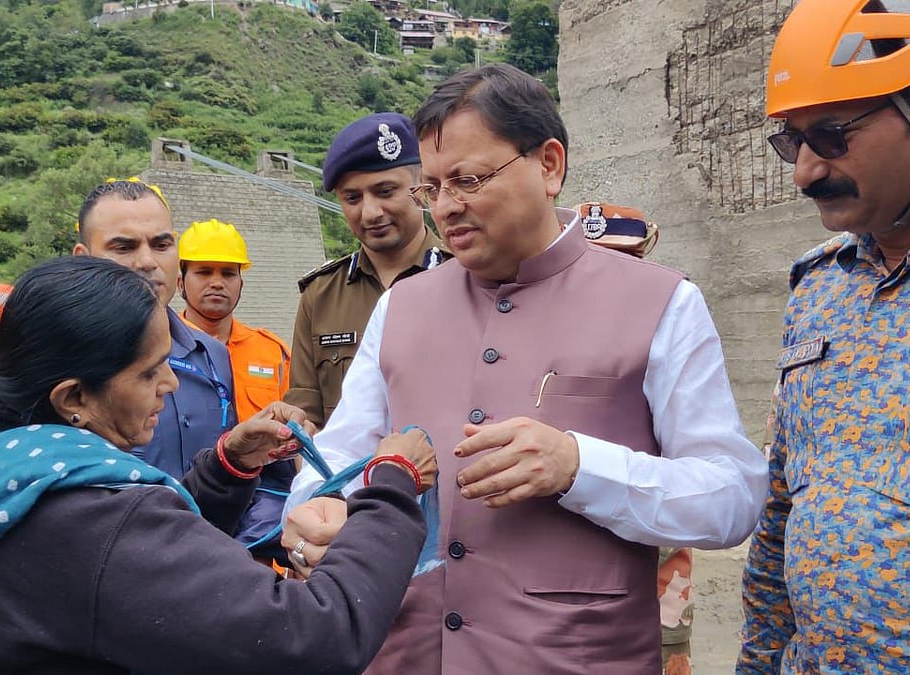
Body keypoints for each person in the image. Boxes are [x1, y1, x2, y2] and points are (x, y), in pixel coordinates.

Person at [282, 64, 767, 673]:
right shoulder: (401, 307)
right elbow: (338, 459)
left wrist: (579, 466)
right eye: (432, 189)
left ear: (549, 166)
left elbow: (732, 496)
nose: (447, 208)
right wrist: (314, 509)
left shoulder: (662, 302)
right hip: (403, 652)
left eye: (468, 179)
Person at [0, 255, 438, 674]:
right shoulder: (90, 522)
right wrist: (391, 488)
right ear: (75, 399)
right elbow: (318, 635)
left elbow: (146, 559)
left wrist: (227, 466)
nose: (171, 383)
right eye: (148, 372)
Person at [739, 2, 910, 672]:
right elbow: (782, 506)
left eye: (832, 136)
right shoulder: (817, 288)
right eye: (792, 142)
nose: (805, 172)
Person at [577, 201, 692, 675]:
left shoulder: (666, 324)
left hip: (656, 539)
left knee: (666, 656)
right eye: (597, 256)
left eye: (625, 256)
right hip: (573, 547)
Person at [284, 112, 450, 430]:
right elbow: (305, 416)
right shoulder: (320, 296)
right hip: (350, 479)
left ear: (422, 186)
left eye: (386, 191)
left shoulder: (467, 276)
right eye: (352, 198)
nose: (371, 212)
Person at [73, 178, 236, 480]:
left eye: (161, 245)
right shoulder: (57, 360)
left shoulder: (213, 357)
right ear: (83, 258)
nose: (147, 261)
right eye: (124, 246)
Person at [177, 217, 296, 560]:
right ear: (180, 280)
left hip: (261, 525)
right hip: (190, 507)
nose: (217, 283)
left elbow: (296, 437)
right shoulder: (159, 350)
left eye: (228, 273)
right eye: (204, 272)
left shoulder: (271, 351)